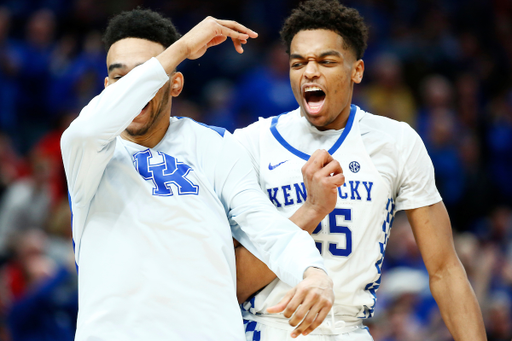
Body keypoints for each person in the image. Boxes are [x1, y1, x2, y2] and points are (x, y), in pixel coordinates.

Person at [60, 9, 335, 341]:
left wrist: (313, 271)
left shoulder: (214, 145)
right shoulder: (88, 154)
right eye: (121, 78)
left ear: (175, 83)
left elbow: (264, 224)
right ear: (108, 89)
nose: (134, 87)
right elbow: (85, 131)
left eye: (147, 73)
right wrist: (184, 47)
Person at [232, 0, 487, 340]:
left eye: (326, 61)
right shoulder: (250, 144)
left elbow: (444, 269)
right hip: (269, 328)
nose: (310, 72)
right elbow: (230, 283)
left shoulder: (396, 142)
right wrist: (311, 211)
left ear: (357, 70)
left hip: (350, 330)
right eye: (299, 63)